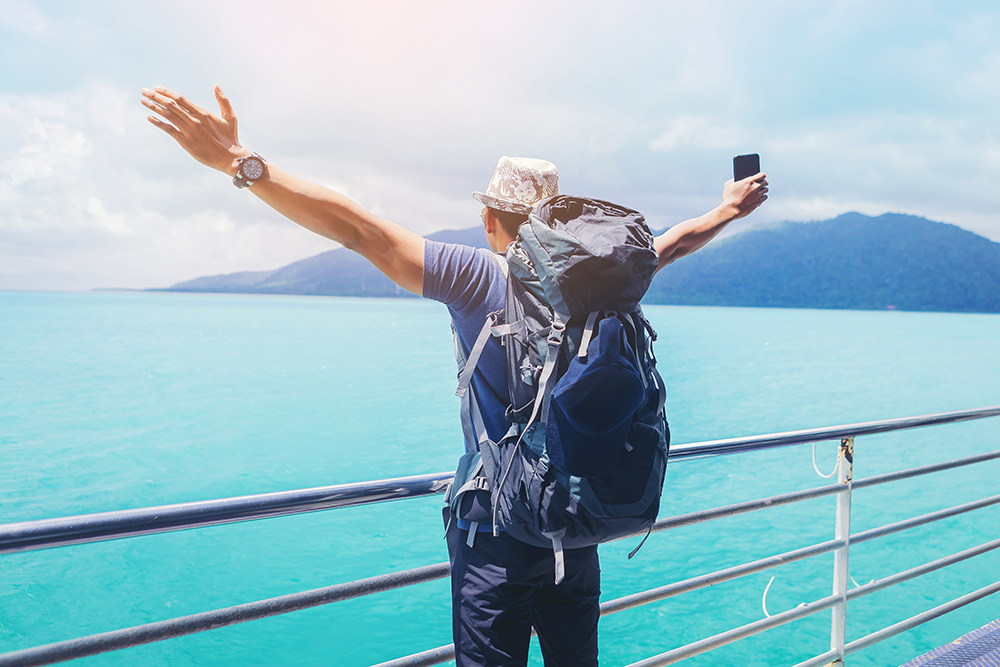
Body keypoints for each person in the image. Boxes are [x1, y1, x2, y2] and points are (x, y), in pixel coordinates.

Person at [140, 85, 768, 667]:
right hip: (574, 526)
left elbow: (359, 229)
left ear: (493, 219)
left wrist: (240, 163)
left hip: (496, 533)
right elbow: (677, 241)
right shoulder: (610, 280)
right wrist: (730, 208)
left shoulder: (476, 277)